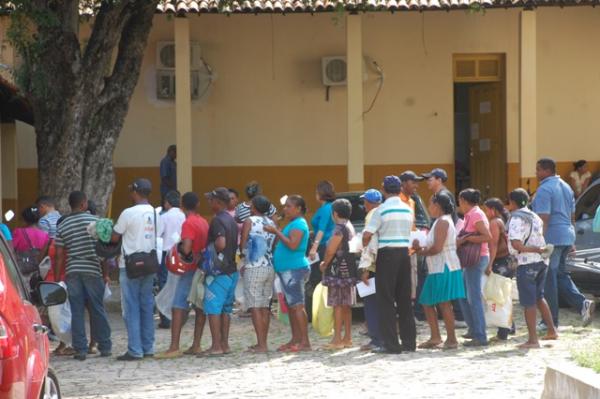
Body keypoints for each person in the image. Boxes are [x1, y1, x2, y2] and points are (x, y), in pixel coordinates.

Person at [531, 158, 595, 327]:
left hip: (552, 237)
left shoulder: (544, 189)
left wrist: (540, 242)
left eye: (538, 170)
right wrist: (572, 240)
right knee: (560, 275)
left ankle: (550, 320)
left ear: (546, 170)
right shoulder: (566, 187)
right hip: (566, 235)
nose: (536, 173)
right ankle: (582, 304)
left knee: (549, 279)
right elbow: (572, 216)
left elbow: (543, 218)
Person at [55, 191, 112, 361]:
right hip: (93, 269)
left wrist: (58, 279)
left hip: (73, 270)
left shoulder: (63, 225)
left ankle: (80, 349)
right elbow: (104, 252)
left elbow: (59, 255)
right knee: (97, 308)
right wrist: (106, 273)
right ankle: (105, 345)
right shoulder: (96, 222)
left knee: (76, 310)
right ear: (84, 204)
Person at [111, 178, 163, 361]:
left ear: (135, 192)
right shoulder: (156, 213)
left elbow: (115, 237)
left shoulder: (128, 213)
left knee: (131, 307)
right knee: (147, 306)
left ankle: (135, 349)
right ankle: (148, 347)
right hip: (149, 263)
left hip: (130, 265)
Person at [362, 176, 416, 354]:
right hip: (403, 253)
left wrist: (364, 245)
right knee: (404, 300)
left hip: (386, 254)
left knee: (385, 300)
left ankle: (391, 344)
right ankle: (409, 342)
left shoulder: (381, 210)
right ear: (400, 189)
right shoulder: (408, 208)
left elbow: (367, 235)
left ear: (384, 190)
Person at [157, 192, 208, 359]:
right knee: (199, 307)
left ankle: (174, 346)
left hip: (189, 269)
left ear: (182, 205)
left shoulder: (189, 223)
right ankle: (196, 344)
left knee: (178, 306)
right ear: (198, 204)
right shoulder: (203, 221)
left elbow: (186, 248)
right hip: (201, 267)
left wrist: (178, 248)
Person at [413, 193, 465, 350]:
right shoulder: (442, 221)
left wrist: (419, 251)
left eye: (431, 204)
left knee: (443, 303)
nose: (429, 207)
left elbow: (437, 248)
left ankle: (451, 339)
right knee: (428, 301)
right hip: (438, 267)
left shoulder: (442, 222)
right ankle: (436, 337)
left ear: (437, 205)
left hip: (444, 266)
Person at [508, 188, 558, 349]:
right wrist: (538, 250)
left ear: (512, 202)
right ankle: (552, 330)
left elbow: (516, 244)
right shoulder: (534, 216)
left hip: (527, 262)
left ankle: (533, 340)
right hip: (542, 262)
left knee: (529, 302)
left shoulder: (516, 218)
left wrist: (534, 249)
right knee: (539, 297)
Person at [266, 195, 311, 352]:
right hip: (287, 270)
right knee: (292, 306)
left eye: (289, 206)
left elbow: (293, 245)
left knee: (297, 305)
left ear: (298, 208)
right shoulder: (293, 223)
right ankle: (295, 338)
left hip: (294, 269)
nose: (285, 209)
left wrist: (276, 232)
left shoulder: (299, 224)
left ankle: (305, 341)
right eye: (285, 206)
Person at [202, 187, 239, 356]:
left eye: (211, 200)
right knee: (226, 309)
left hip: (219, 273)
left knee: (213, 308)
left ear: (218, 202)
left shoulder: (217, 220)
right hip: (232, 271)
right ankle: (224, 344)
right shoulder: (231, 219)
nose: (209, 203)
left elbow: (221, 243)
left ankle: (216, 345)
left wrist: (209, 250)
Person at [239, 195, 277, 353]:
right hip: (269, 266)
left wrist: (243, 257)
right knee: (265, 306)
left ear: (253, 208)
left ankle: (261, 344)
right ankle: (263, 342)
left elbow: (243, 244)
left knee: (254, 306)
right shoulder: (272, 223)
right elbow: (274, 244)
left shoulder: (250, 221)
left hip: (254, 266)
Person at [319, 198, 357, 350]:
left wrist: (324, 263)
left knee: (337, 305)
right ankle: (347, 338)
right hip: (349, 270)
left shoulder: (338, 229)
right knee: (346, 305)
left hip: (337, 271)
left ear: (334, 213)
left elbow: (330, 250)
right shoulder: (350, 226)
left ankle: (337, 339)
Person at [456, 189, 492, 347]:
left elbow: (487, 236)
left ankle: (480, 335)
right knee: (463, 295)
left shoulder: (476, 214)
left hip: (477, 259)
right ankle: (473, 328)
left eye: (460, 200)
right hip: (471, 260)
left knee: (474, 298)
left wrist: (466, 238)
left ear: (463, 200)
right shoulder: (470, 214)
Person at [483, 197, 516, 341]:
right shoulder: (501, 221)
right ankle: (510, 326)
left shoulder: (494, 223)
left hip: (500, 262)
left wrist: (489, 264)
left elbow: (493, 245)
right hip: (507, 261)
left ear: (493, 210)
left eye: (486, 210)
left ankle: (503, 332)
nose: (485, 213)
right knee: (505, 296)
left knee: (500, 297)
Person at [357, 189, 383, 351]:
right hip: (385, 262)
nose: (364, 205)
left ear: (370, 202)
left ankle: (376, 339)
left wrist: (366, 267)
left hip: (373, 264)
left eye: (365, 201)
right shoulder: (383, 212)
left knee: (371, 304)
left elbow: (370, 241)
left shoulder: (372, 215)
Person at [306, 180, 336, 319]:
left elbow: (322, 230)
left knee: (318, 279)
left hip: (324, 246)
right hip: (325, 244)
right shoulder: (329, 207)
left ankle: (321, 312)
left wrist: (314, 247)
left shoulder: (326, 209)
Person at [157, 191, 186, 329]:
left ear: (167, 203)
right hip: (181, 253)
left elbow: (158, 235)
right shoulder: (183, 216)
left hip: (166, 254)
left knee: (164, 283)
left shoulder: (164, 217)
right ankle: (179, 315)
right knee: (179, 284)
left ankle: (166, 317)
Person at [13, 206, 50, 280]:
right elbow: (41, 257)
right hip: (35, 274)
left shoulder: (18, 232)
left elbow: (11, 251)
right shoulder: (45, 236)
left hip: (19, 272)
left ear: (24, 220)